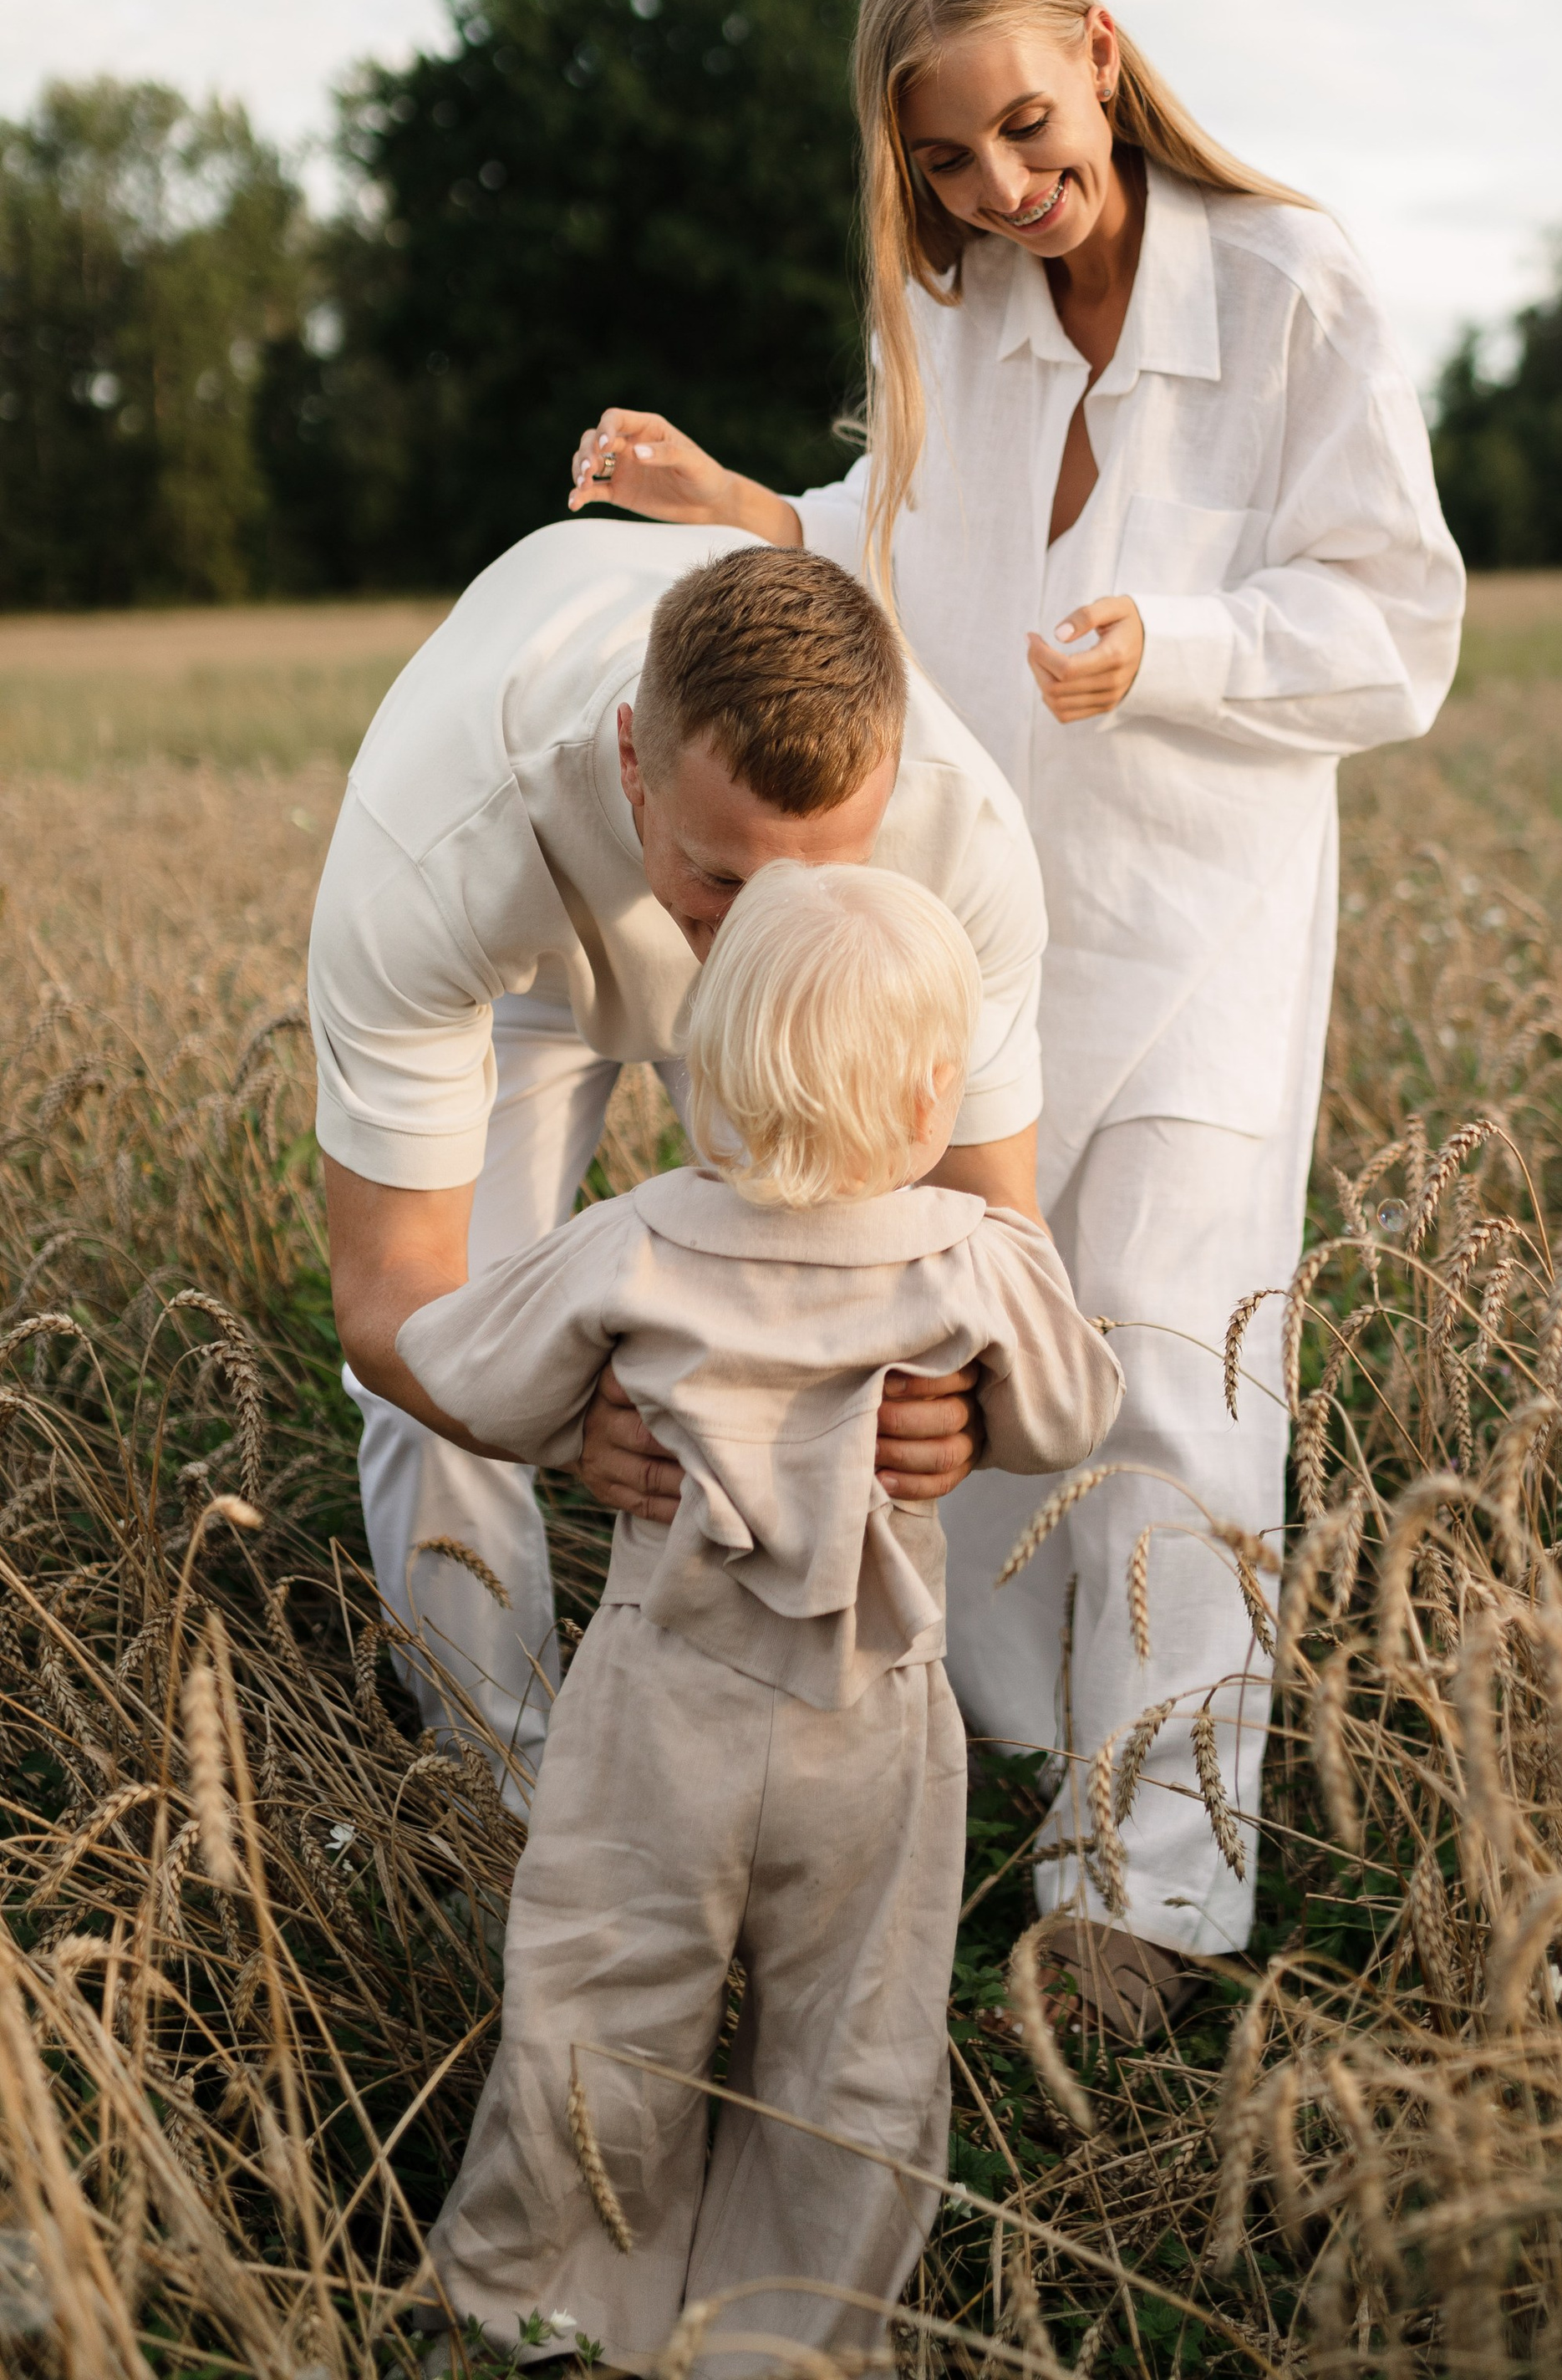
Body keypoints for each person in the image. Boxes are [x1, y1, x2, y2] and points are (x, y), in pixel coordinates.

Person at [565, 0, 1464, 2032]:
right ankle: (1013, 1777)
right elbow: (899, 534)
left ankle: (1146, 1902)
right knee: (953, 1351)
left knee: (1163, 1379)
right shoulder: (952, 307)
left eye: (1022, 130)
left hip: (1197, 925)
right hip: (967, 920)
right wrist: (743, 509)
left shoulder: (1290, 284)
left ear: (1101, 55)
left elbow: (1395, 622)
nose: (992, 189)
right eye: (943, 162)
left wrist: (1182, 646)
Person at [366, 859, 1122, 2372]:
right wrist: (973, 1402)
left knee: (600, 2000)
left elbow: (454, 1366)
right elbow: (1074, 1412)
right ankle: (790, 2336)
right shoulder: (971, 1256)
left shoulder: (634, 1238)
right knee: (857, 2039)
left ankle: (531, 2297)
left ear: (709, 1071)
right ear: (926, 1100)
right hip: (873, 1726)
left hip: (664, 1706)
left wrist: (585, 1423)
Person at [308, 525, 1045, 1795]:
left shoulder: (959, 835)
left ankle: (819, 1752)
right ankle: (507, 1794)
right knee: (445, 1382)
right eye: (722, 879)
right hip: (524, 967)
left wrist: (972, 1403)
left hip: (839, 990)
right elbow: (391, 1301)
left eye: (822, 869)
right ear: (634, 758)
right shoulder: (431, 847)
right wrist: (557, 1416)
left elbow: (991, 1231)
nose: (764, 933)